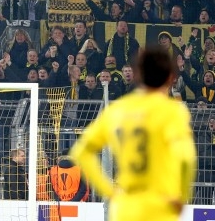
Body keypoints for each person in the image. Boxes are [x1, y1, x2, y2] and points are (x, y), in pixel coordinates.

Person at [70, 45, 196, 221]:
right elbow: (186, 159)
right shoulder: (174, 113)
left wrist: (108, 190)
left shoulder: (120, 109)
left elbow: (82, 152)